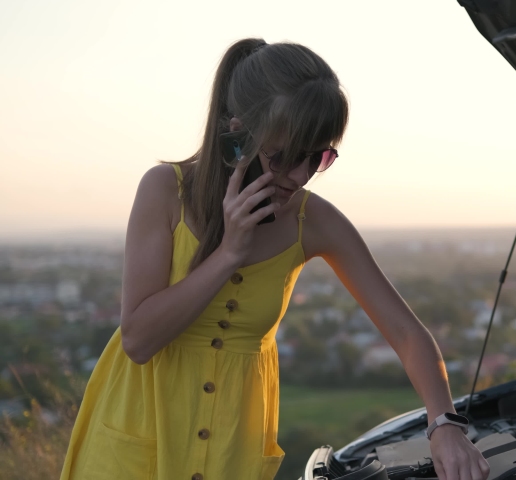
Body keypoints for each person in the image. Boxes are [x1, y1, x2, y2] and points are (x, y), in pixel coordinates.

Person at [60, 38, 491, 480]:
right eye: (284, 156)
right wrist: (229, 253)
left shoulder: (315, 221)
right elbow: (137, 339)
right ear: (238, 133)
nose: (300, 176)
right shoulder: (164, 191)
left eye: (317, 157)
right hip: (138, 438)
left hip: (233, 448)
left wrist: (444, 425)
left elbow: (406, 333)